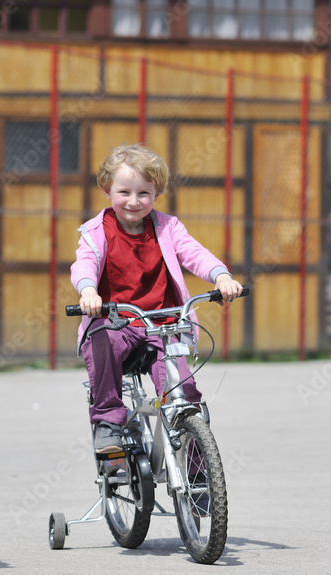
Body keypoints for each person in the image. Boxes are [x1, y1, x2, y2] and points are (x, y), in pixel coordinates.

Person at [71, 144, 244, 454]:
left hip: (161, 323)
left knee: (185, 398)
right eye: (124, 192)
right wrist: (88, 291)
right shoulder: (97, 231)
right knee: (103, 340)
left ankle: (199, 477)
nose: (134, 202)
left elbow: (194, 253)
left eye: (144, 194)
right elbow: (85, 262)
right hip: (117, 320)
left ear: (157, 192)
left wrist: (221, 276)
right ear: (107, 189)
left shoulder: (167, 228)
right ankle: (108, 422)